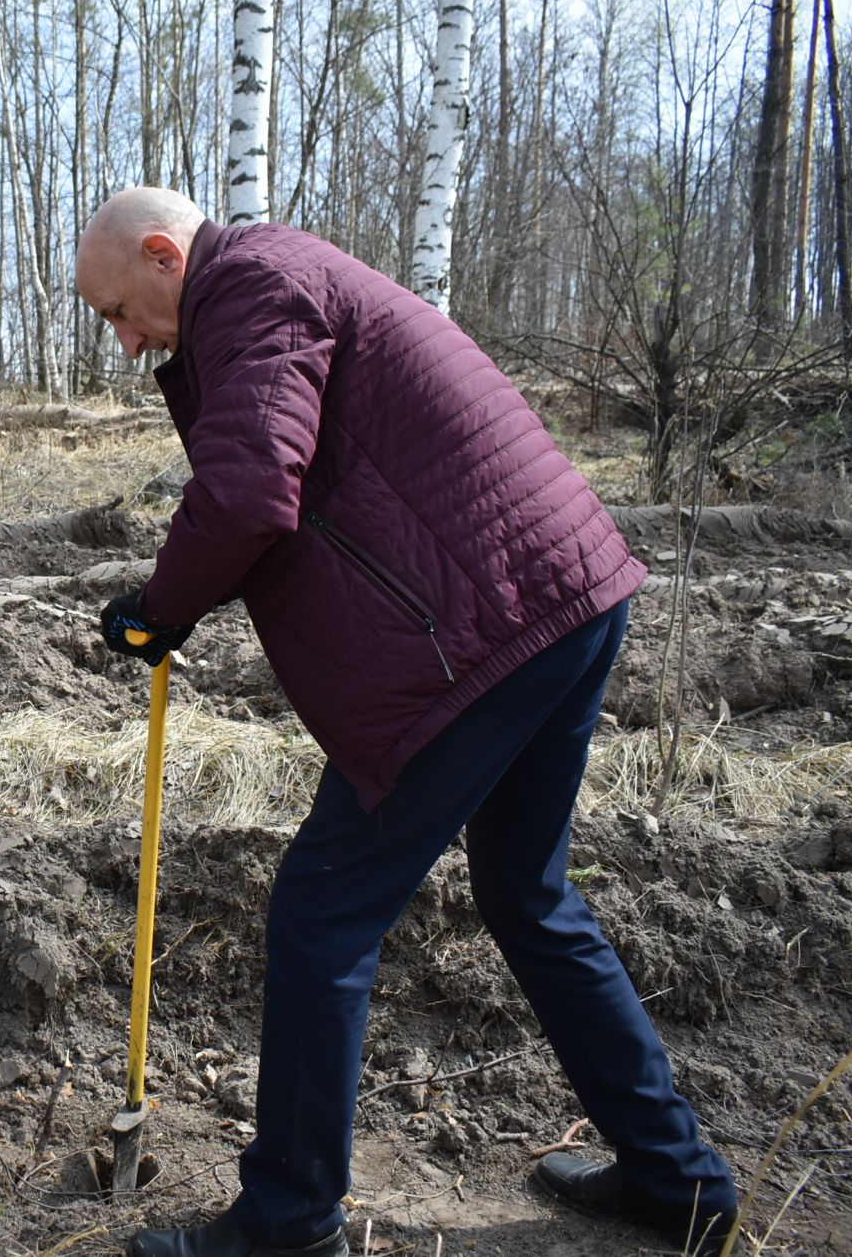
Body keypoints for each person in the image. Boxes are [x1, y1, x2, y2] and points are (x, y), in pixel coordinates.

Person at [78, 188, 739, 1257]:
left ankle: (290, 1219)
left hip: (481, 630)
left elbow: (252, 489)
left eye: (119, 310)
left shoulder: (250, 285)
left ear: (164, 256)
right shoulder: (277, 276)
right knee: (529, 893)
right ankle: (681, 1181)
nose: (123, 340)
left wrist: (161, 607)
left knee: (322, 909)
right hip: (563, 598)